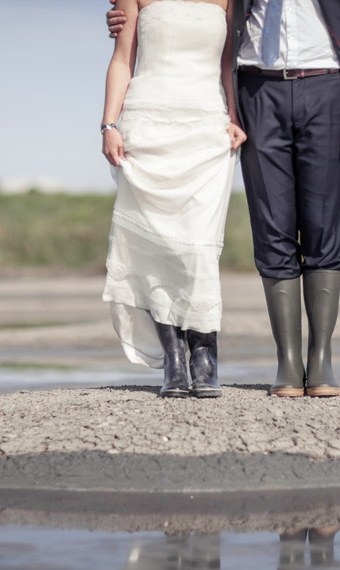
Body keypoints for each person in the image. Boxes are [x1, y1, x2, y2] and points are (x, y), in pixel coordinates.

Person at [109, 0, 340, 398]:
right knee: (270, 223)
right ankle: (288, 362)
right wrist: (127, 16)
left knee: (325, 224)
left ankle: (322, 358)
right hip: (256, 92)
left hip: (328, 86)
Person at [101, 0, 247, 399]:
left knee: (198, 246)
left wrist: (234, 115)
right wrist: (109, 124)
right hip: (146, 124)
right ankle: (174, 361)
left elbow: (227, 65)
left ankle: (205, 356)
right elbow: (121, 61)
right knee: (154, 244)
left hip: (206, 125)